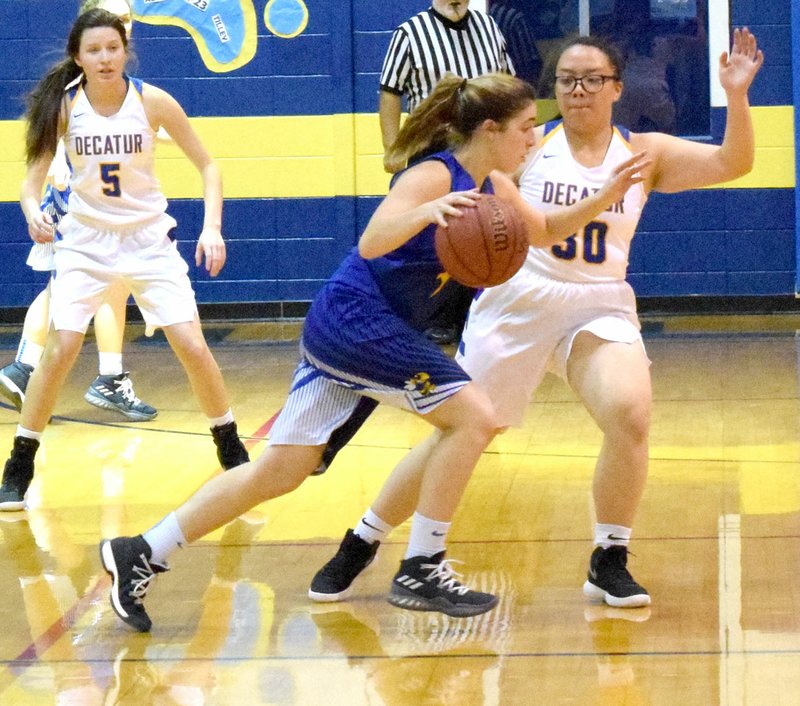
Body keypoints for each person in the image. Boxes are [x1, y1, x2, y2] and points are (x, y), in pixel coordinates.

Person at [98, 71, 646, 632]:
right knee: (475, 417)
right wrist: (427, 214)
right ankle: (422, 566)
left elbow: (546, 230)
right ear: (490, 129)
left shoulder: (498, 186)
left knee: (281, 470)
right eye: (526, 128)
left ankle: (141, 549)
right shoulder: (435, 175)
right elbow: (372, 240)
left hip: (359, 328)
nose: (534, 140)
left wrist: (605, 196)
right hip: (358, 320)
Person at [309, 28, 763, 610]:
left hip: (597, 303)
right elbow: (522, 221)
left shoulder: (645, 152)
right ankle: (363, 539)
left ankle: (609, 558)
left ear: (616, 88)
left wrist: (738, 95)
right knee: (470, 428)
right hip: (520, 298)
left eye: (591, 79)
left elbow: (736, 162)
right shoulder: (523, 149)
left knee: (630, 412)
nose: (577, 90)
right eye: (566, 80)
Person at [0, 8, 249, 511]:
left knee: (192, 346)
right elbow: (31, 183)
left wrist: (212, 227)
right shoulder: (65, 107)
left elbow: (209, 165)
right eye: (94, 50)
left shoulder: (151, 101)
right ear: (79, 57)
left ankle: (229, 443)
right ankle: (19, 461)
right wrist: (32, 212)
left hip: (148, 240)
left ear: (125, 51)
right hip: (86, 242)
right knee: (62, 346)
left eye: (112, 48)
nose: (105, 57)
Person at [0, 0, 157, 423]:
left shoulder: (122, 85)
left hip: (94, 200)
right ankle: (88, 374)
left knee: (88, 287)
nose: (123, 25)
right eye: (115, 16)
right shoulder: (79, 87)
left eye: (127, 19)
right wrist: (54, 178)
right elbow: (57, 141)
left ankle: (28, 368)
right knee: (98, 284)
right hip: (74, 199)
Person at [379, 0, 514, 346]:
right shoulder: (409, 33)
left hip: (483, 145)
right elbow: (390, 93)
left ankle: (476, 310)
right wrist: (393, 146)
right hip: (433, 147)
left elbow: (507, 85)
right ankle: (433, 315)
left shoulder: (489, 29)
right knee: (439, 234)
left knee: (483, 227)